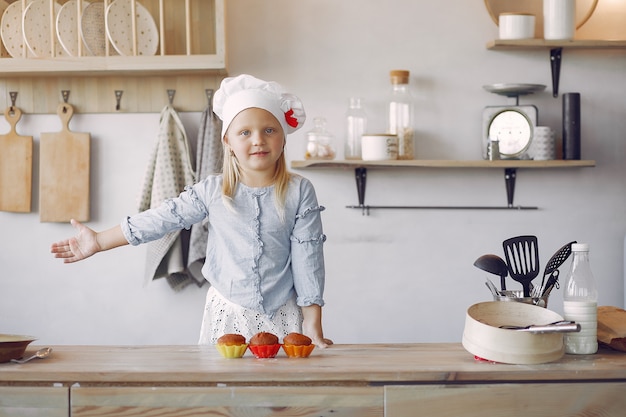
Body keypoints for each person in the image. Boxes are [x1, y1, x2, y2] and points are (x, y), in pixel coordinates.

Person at [50, 74, 333, 348]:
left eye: (269, 130)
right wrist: (99, 241)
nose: (258, 139)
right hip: (228, 314)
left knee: (279, 393)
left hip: (284, 314)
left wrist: (312, 322)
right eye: (245, 132)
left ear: (283, 137)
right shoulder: (212, 190)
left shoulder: (300, 191)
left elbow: (308, 257)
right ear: (228, 143)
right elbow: (162, 218)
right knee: (226, 394)